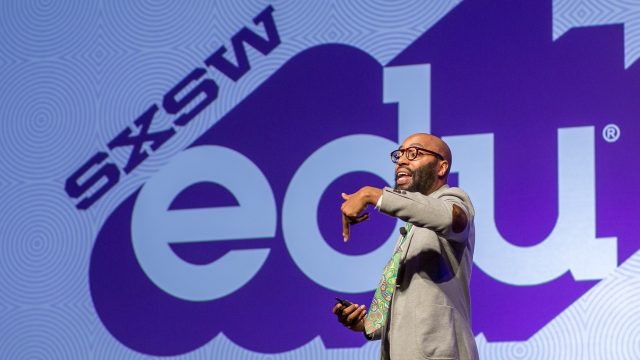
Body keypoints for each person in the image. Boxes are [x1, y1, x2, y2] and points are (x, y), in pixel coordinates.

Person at [333, 133, 479, 359]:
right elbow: (415, 307)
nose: (401, 160)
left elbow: (452, 219)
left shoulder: (454, 201)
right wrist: (367, 323)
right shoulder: (412, 230)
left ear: (442, 167)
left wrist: (371, 194)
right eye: (399, 154)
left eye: (414, 153)